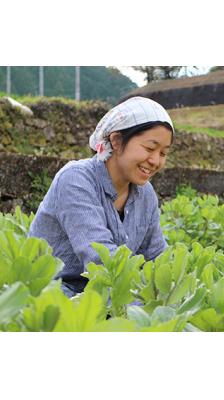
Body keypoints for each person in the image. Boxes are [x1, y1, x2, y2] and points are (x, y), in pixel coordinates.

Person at [28, 96, 174, 297]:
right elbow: (100, 258)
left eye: (163, 153)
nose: (155, 160)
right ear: (116, 141)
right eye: (149, 148)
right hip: (53, 289)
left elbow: (158, 256)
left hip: (109, 292)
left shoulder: (145, 193)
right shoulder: (76, 179)